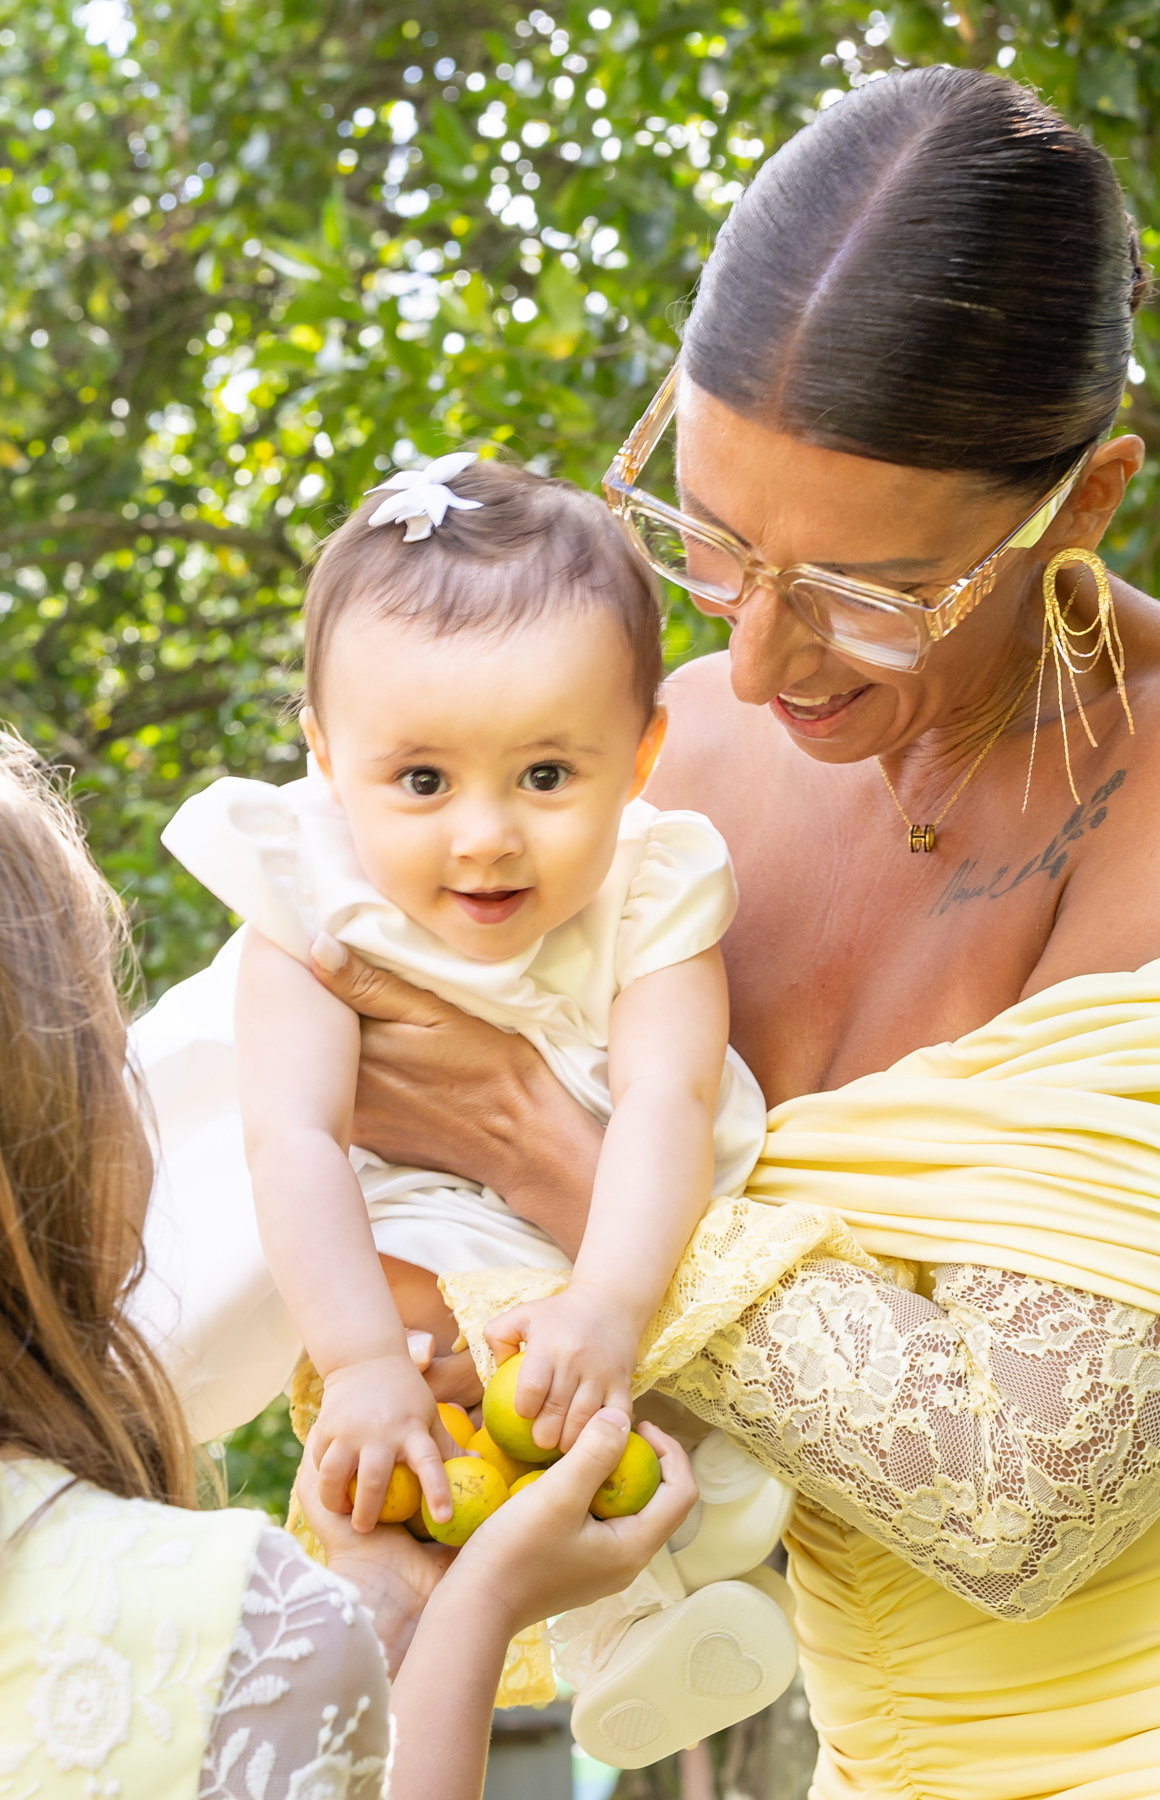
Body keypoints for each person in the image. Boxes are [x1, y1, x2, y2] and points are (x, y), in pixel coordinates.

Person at [294, 68, 1160, 1795]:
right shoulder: (659, 764)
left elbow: (1022, 1502)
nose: (755, 668)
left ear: (1082, 502)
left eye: (863, 593)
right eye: (705, 537)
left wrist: (548, 1150)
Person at [138, 457, 799, 1758]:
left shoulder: (657, 886)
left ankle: (638, 1606)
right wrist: (366, 1364)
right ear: (327, 760)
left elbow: (666, 1103)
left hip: (610, 1198)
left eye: (548, 776)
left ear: (642, 752)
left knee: (619, 1397)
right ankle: (416, 1580)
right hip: (378, 1201)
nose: (486, 838)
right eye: (424, 783)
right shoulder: (311, 887)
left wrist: (608, 1308)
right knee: (391, 1348)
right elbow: (296, 1140)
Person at [0, 710, 698, 1800]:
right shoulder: (224, 1628)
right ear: (41, 1135)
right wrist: (476, 1606)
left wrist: (384, 1599)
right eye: (109, 1044)